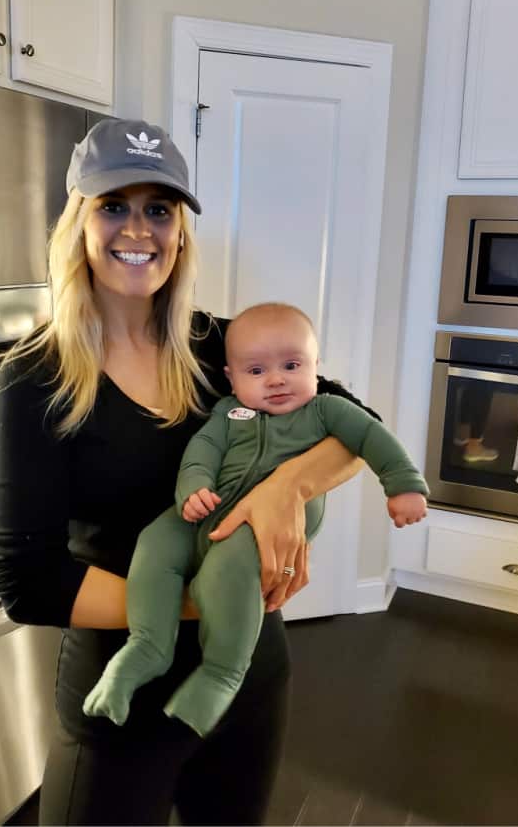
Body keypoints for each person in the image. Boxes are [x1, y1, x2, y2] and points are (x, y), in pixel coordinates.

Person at [0, 117, 411, 826]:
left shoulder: (222, 346)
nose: (138, 228)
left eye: (160, 209)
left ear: (180, 231)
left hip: (247, 679)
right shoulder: (35, 375)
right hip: (124, 693)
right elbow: (25, 579)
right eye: (114, 204)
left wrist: (287, 488)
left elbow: (356, 424)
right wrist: (205, 601)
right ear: (78, 223)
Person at [83, 302, 428, 737]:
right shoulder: (229, 413)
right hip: (209, 510)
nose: (277, 379)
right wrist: (192, 491)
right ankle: (147, 645)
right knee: (155, 542)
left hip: (260, 531)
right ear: (231, 377)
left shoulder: (326, 411)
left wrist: (404, 485)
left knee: (225, 573)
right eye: (257, 371)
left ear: (315, 367)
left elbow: (374, 437)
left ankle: (222, 671)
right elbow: (201, 453)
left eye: (291, 364)